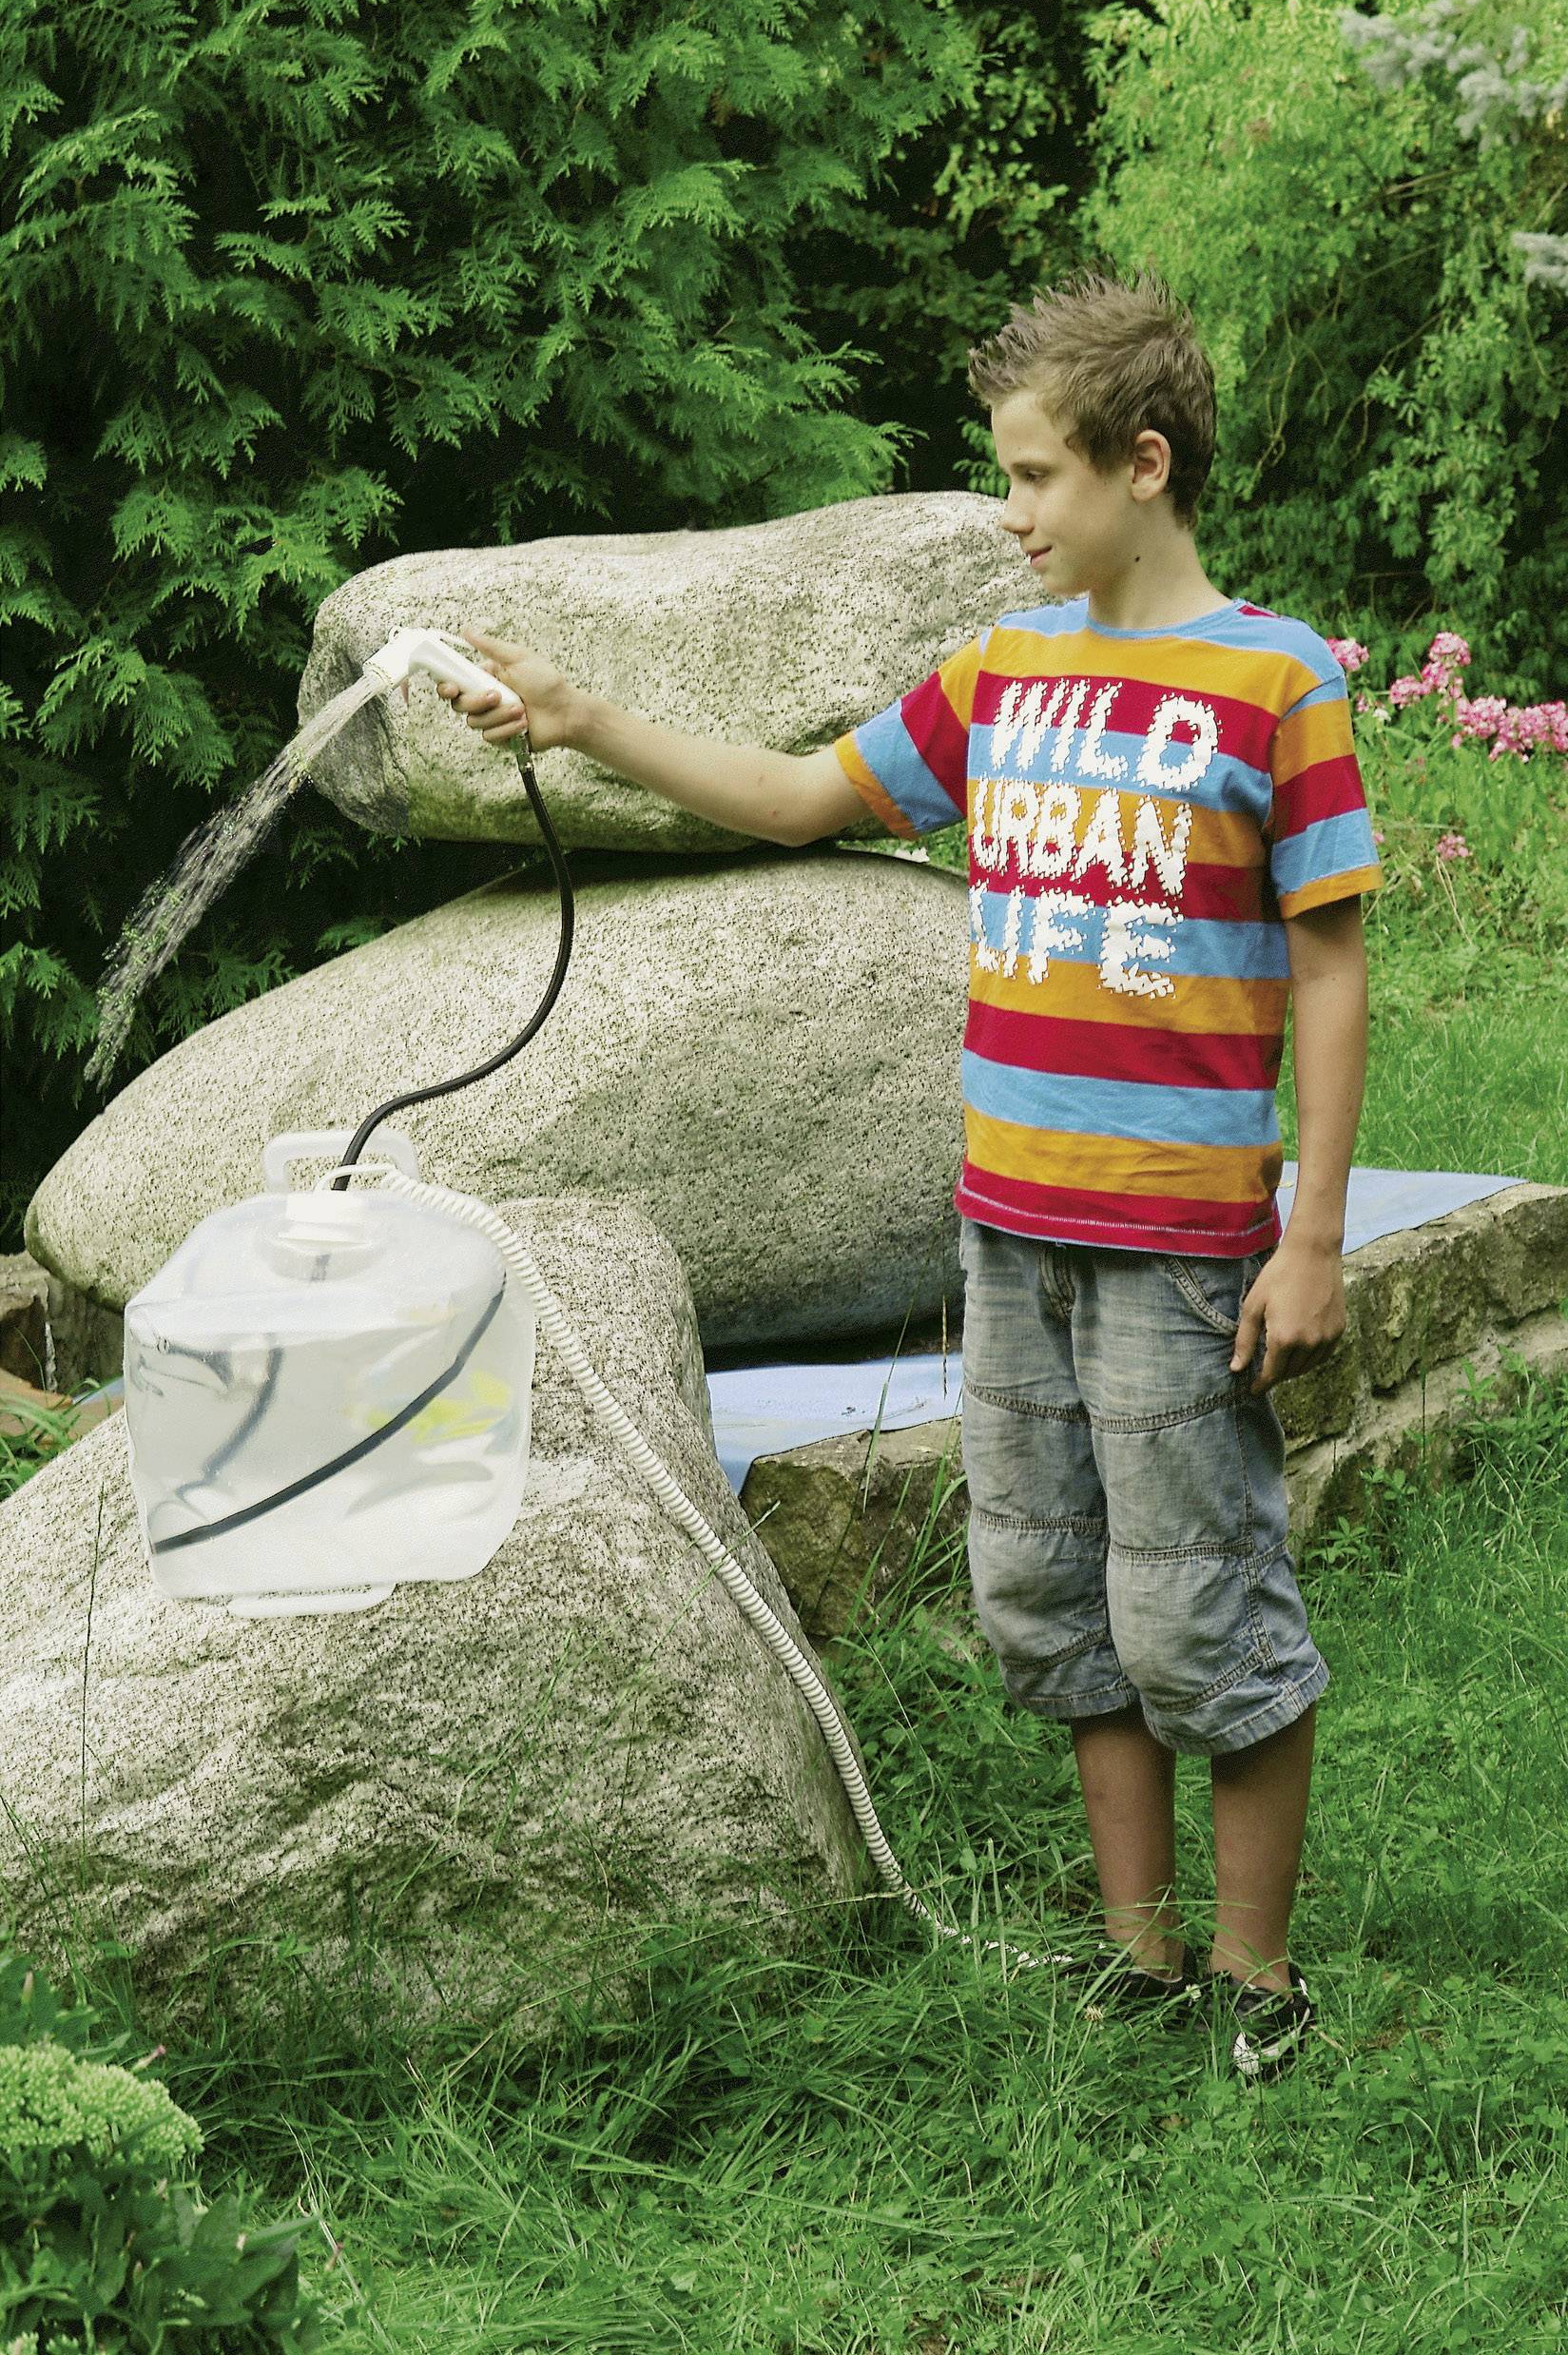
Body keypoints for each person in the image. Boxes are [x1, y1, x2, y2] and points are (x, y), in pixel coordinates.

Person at [435, 268, 1382, 2083]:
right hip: (1008, 1232)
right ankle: (1146, 1959)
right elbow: (798, 799)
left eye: (1030, 480)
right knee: (1050, 1590)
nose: (1008, 514)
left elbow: (1331, 963)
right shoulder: (996, 679)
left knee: (1201, 1604)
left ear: (1145, 467)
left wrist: (1315, 1232)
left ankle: (1263, 1989)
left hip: (1184, 1246)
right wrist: (586, 719)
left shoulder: (1280, 682)